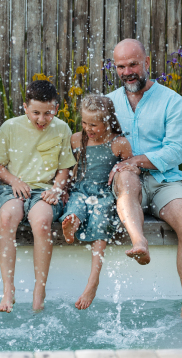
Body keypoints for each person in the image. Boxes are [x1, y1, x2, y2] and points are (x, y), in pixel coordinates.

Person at [107, 39, 182, 318]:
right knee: (126, 180)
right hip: (127, 181)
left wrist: (135, 160)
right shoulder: (109, 103)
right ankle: (140, 243)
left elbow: (175, 151)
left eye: (133, 64)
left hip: (165, 180)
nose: (128, 72)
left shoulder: (172, 101)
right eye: (121, 66)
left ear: (147, 62)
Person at [0, 80, 77, 313]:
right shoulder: (10, 126)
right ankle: (8, 289)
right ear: (25, 107)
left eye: (48, 113)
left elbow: (64, 169)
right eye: (35, 112)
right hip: (13, 188)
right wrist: (14, 181)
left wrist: (57, 188)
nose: (41, 119)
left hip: (44, 189)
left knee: (42, 222)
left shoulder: (62, 128)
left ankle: (40, 290)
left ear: (56, 108)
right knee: (7, 218)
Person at [60, 95, 138, 310]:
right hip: (80, 190)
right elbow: (69, 169)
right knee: (75, 205)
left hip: (104, 194)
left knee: (101, 215)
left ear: (108, 121)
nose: (88, 129)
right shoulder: (76, 139)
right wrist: (63, 188)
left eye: (94, 124)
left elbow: (130, 169)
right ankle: (72, 224)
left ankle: (93, 281)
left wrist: (126, 168)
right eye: (84, 123)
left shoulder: (118, 143)